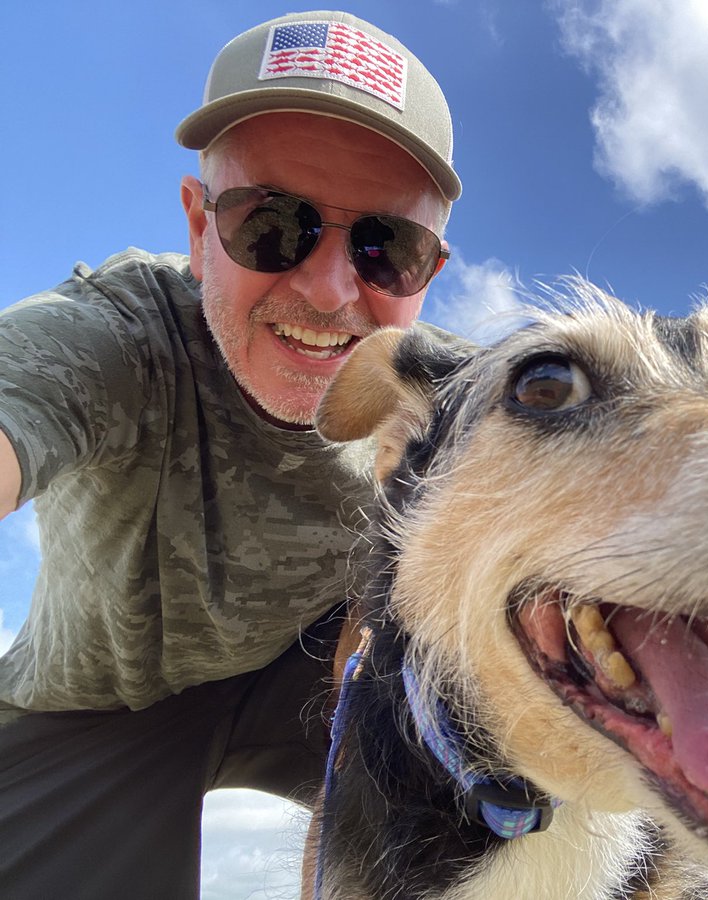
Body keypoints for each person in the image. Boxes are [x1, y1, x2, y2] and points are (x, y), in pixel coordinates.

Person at [0, 11, 461, 897]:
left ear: (428, 272)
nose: (328, 291)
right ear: (199, 225)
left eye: (384, 247)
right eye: (271, 225)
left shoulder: (441, 394)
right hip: (98, 705)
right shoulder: (118, 332)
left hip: (319, 673)